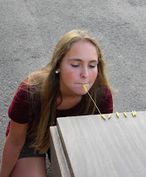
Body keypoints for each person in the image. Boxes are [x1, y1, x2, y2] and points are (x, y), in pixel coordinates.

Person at [0, 29, 113, 177]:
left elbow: (99, 144)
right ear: (58, 65)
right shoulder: (30, 91)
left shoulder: (101, 95)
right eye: (75, 65)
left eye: (92, 65)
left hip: (71, 140)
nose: (85, 74)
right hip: (32, 138)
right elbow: (15, 141)